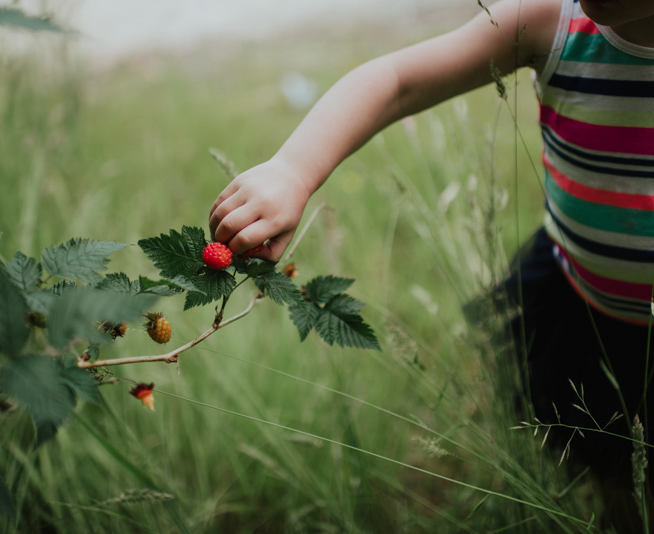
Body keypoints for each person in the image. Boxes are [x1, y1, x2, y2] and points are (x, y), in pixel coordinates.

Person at [209, 0, 654, 530]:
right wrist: (293, 168)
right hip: (580, 303)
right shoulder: (551, 19)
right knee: (598, 451)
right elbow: (397, 80)